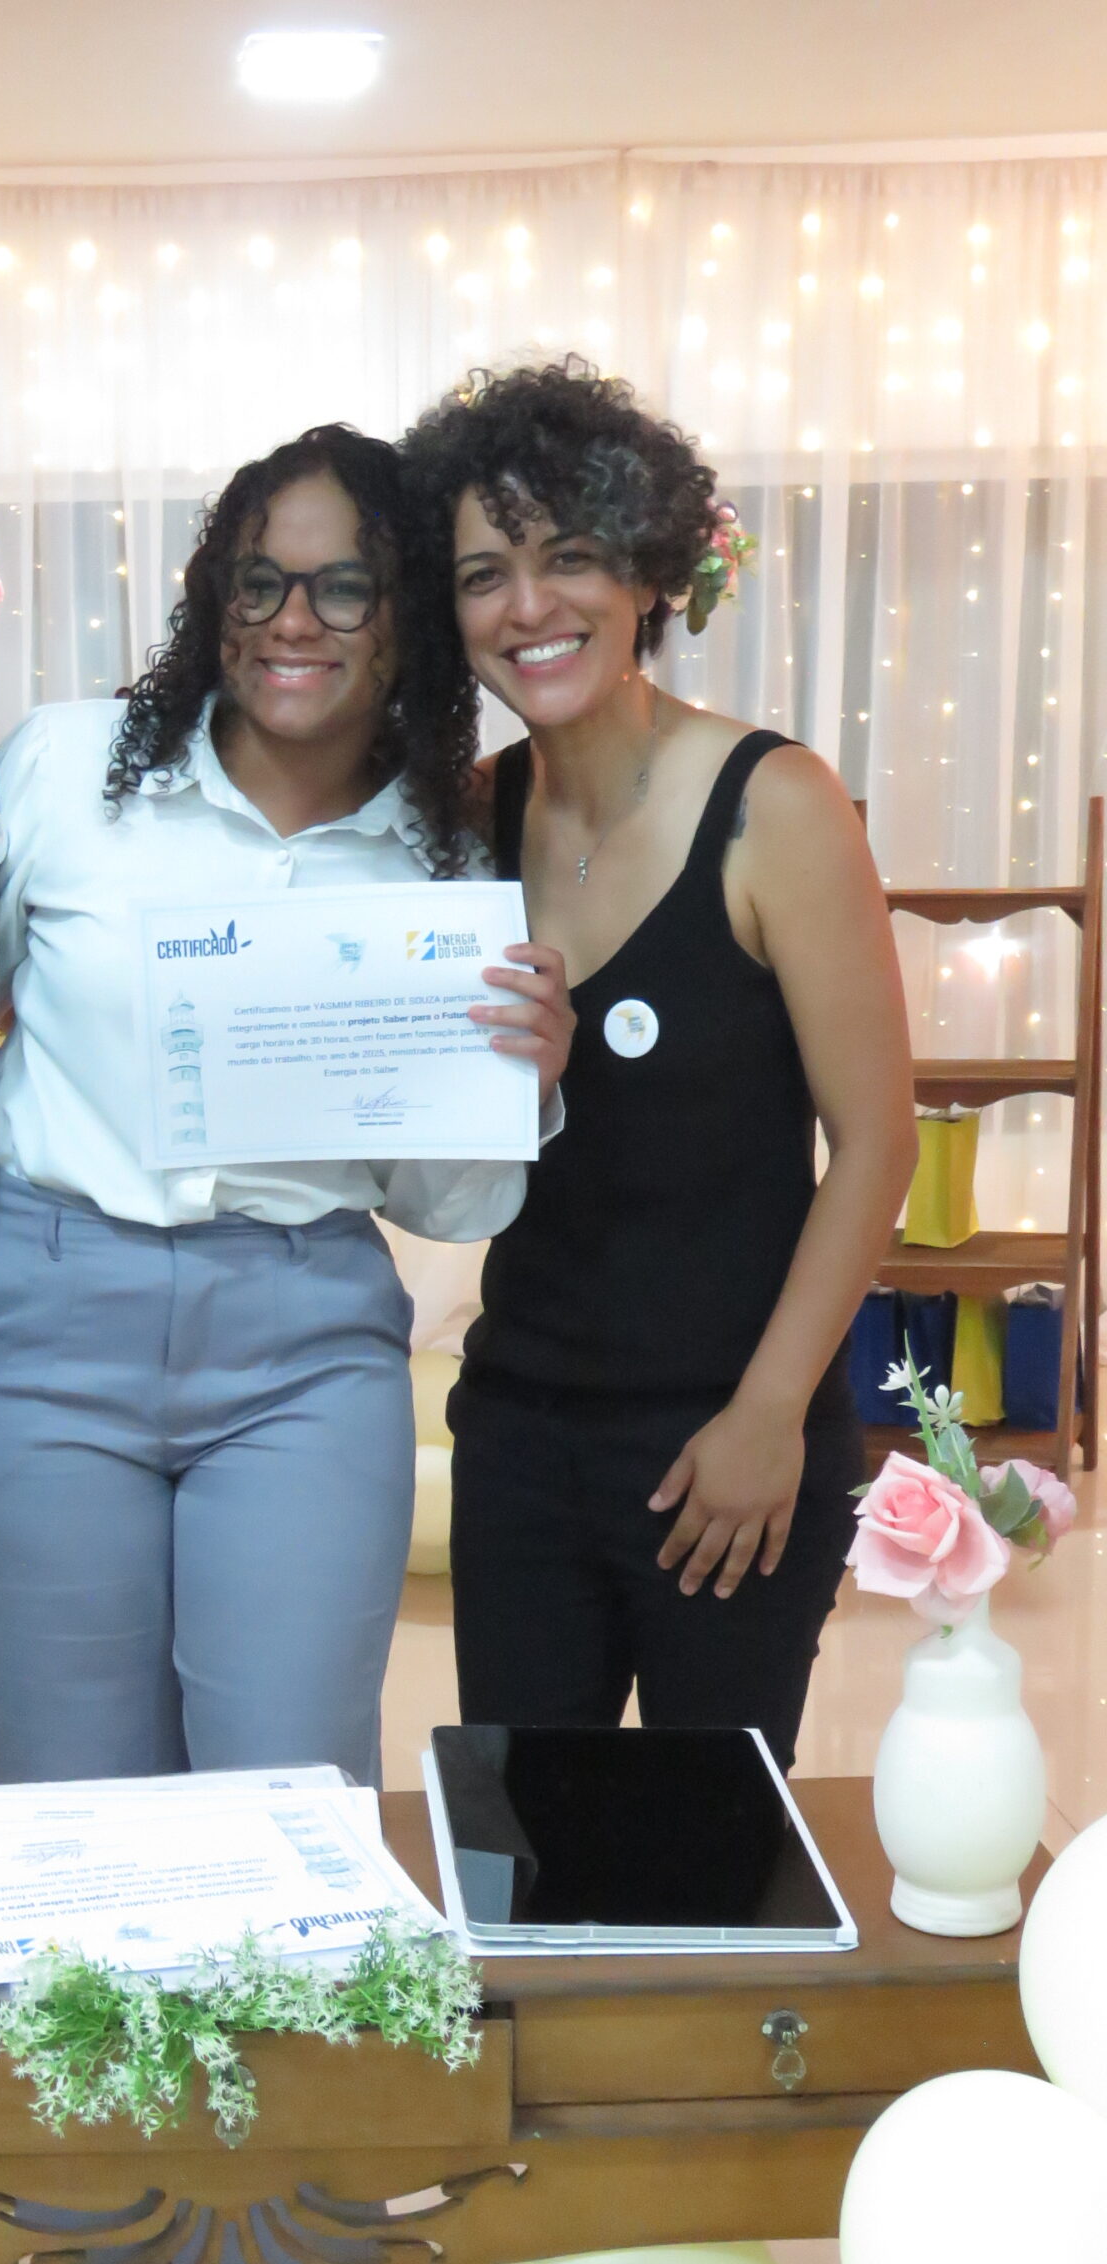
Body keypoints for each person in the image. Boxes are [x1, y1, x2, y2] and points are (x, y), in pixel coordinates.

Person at [0, 424, 574, 1788]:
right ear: (213, 599)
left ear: (407, 620)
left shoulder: (447, 861)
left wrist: (514, 1086)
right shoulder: (66, 769)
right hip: (46, 1330)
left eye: (345, 588)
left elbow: (443, 1207)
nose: (295, 621)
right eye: (260, 581)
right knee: (72, 1803)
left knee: (291, 1799)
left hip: (303, 1351)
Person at [399, 360, 917, 1768]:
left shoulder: (776, 804)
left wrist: (770, 1416)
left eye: (569, 556)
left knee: (711, 1850)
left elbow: (878, 1143)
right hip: (517, 1433)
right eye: (485, 573)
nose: (529, 606)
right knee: (524, 1847)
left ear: (644, 571)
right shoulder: (466, 823)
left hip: (728, 1441)